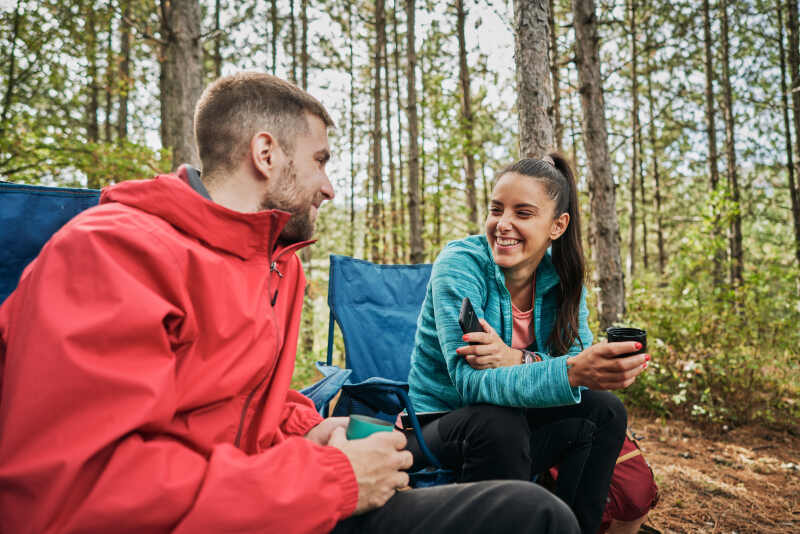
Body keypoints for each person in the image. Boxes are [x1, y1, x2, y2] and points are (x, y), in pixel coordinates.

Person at [0, 72, 580, 534]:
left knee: (533, 510)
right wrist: (327, 479)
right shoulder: (113, 254)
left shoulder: (277, 262)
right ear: (266, 153)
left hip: (268, 496)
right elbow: (73, 495)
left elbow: (249, 406)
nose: (329, 187)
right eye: (322, 160)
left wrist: (311, 431)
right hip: (243, 508)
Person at [406, 155, 658, 534]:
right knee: (498, 422)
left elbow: (578, 371)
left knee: (604, 411)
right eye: (496, 209)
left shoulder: (563, 277)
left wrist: (515, 358)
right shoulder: (460, 265)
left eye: (522, 213)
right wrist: (566, 369)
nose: (502, 224)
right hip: (440, 424)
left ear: (557, 226)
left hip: (517, 422)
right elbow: (471, 384)